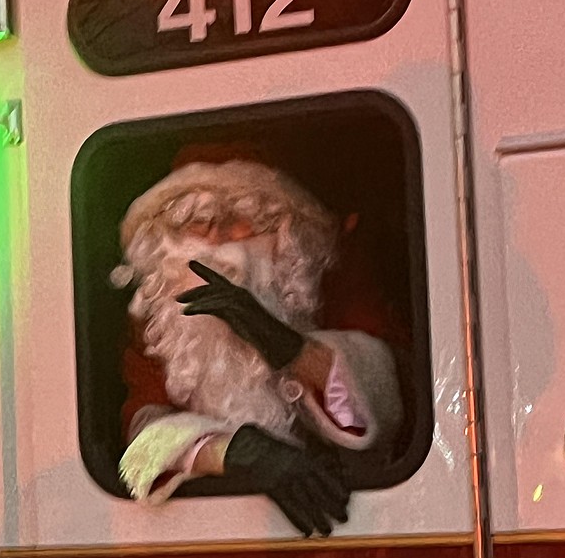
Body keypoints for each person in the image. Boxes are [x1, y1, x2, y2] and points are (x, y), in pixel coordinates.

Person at [112, 159, 403, 536]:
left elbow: (383, 404)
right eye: (196, 223)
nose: (216, 242)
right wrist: (235, 451)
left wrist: (277, 340)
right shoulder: (157, 329)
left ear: (286, 236)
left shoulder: (329, 298)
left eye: (239, 220)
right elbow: (141, 438)